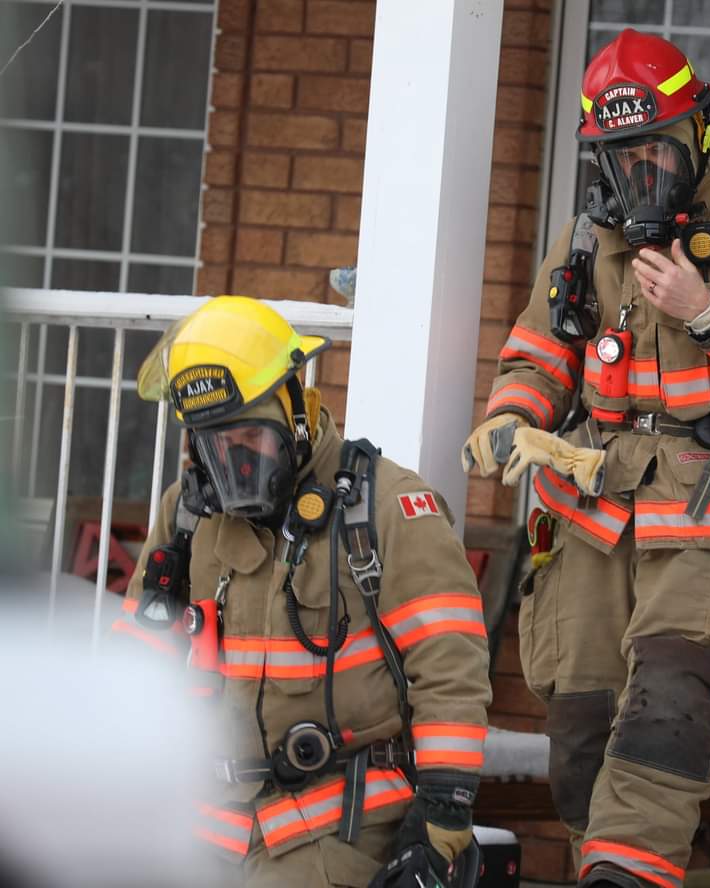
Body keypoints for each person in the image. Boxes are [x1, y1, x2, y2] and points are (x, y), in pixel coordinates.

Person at [462, 28, 710, 888]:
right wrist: (511, 418)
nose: (642, 171)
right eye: (622, 156)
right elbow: (538, 355)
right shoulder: (586, 241)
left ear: (698, 133)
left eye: (657, 149)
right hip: (594, 518)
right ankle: (609, 867)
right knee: (582, 740)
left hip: (707, 517)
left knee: (666, 713)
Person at [115, 296, 492, 887]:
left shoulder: (386, 506)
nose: (237, 466)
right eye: (216, 446)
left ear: (297, 410)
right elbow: (138, 661)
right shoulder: (188, 516)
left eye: (251, 438)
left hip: (338, 829)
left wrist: (443, 812)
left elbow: (450, 668)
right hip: (208, 827)